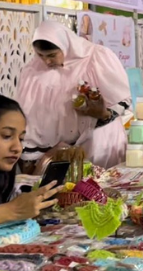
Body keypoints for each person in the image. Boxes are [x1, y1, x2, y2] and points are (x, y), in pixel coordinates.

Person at [17, 21, 131, 170]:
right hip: (57, 151)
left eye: (52, 55)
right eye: (40, 55)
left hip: (98, 142)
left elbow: (120, 98)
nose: (47, 61)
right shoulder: (33, 70)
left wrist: (102, 113)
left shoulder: (95, 58)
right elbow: (30, 113)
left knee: (99, 182)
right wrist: (29, 154)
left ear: (66, 45)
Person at [0, 96, 63, 223]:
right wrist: (11, 211)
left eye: (21, 139)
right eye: (7, 136)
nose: (18, 148)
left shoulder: (4, 177)